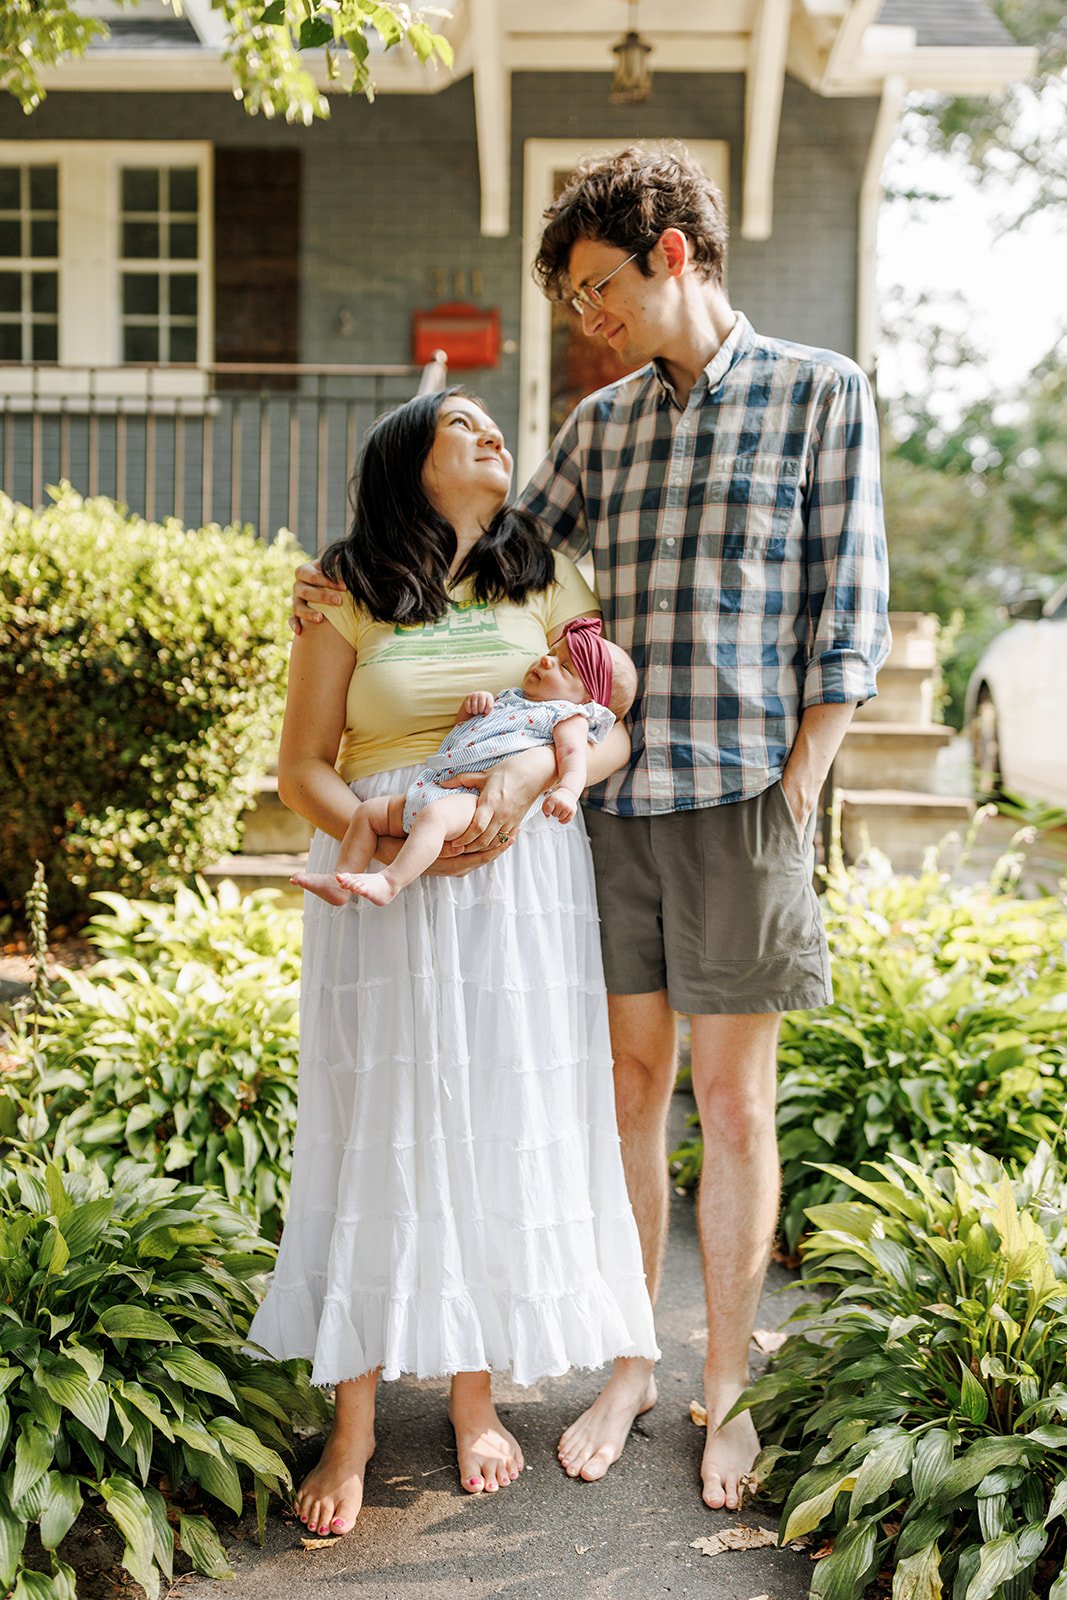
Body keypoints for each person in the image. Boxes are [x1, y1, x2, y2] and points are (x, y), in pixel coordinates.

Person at [290, 143, 891, 1513]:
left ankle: (722, 1386)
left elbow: (847, 611)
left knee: (731, 1103)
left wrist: (801, 783)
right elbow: (478, 559)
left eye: (594, 290)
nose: (586, 320)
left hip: (742, 801)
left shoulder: (817, 393)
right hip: (604, 808)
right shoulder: (599, 427)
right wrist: (330, 576)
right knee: (623, 1093)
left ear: (669, 253)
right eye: (569, 301)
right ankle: (629, 1356)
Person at [248, 384, 659, 1542]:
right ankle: (354, 1418)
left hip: (519, 882)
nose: (490, 434)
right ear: (407, 466)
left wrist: (534, 778)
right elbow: (301, 769)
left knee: (485, 1115)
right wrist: (377, 831)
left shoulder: (549, 579)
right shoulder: (344, 586)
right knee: (380, 1119)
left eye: (491, 423)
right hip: (384, 872)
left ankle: (475, 1393)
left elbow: (605, 718)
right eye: (459, 425)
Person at [290, 620, 636, 907]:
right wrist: (469, 710)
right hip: (434, 785)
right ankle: (341, 880)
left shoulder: (568, 717)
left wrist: (567, 790)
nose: (546, 661)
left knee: (435, 818)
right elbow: (463, 737)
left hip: (474, 801)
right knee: (367, 814)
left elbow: (573, 758)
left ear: (589, 700)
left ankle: (390, 881)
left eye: (564, 667)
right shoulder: (511, 699)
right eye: (551, 653)